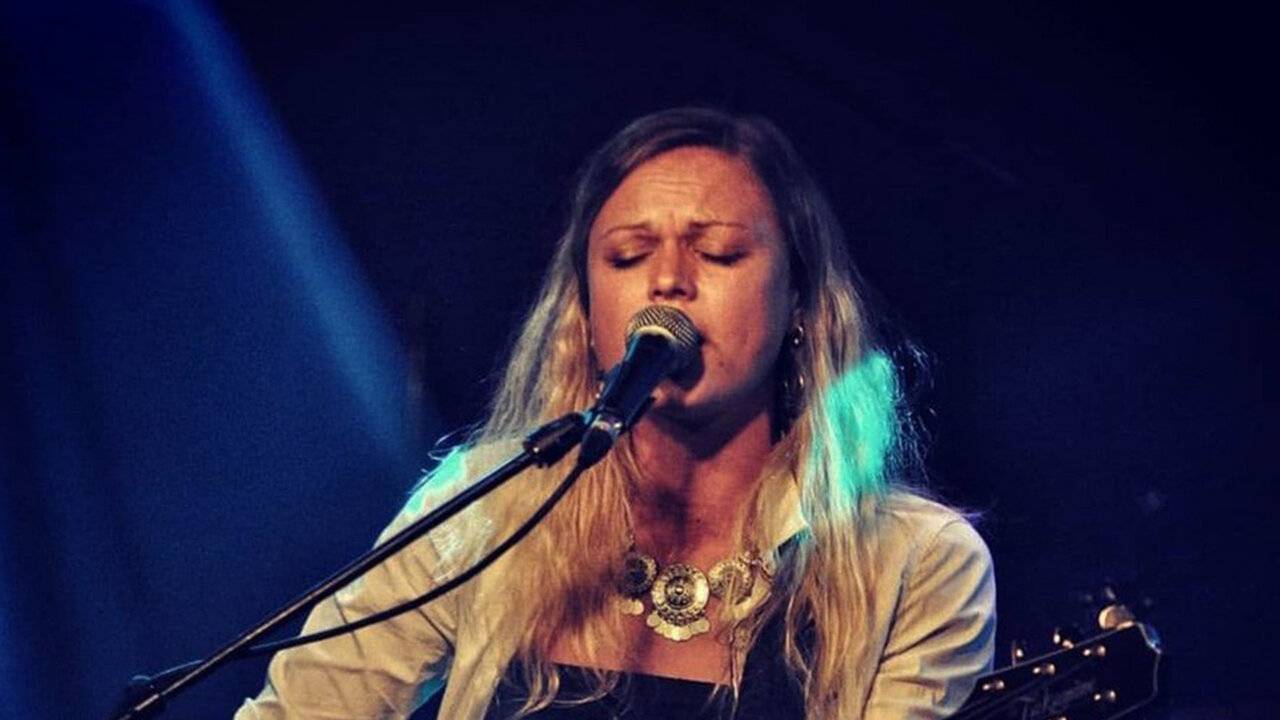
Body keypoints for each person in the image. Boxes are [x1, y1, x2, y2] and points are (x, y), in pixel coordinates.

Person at [235, 107, 995, 719]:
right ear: (588, 312)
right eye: (628, 257)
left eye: (719, 253)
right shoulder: (487, 506)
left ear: (797, 299)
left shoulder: (916, 563)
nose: (668, 281)